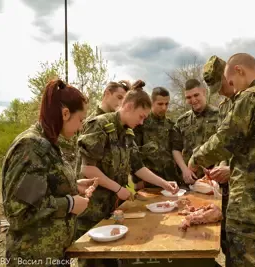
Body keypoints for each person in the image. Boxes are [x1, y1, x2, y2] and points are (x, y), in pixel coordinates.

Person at [188, 53, 255, 267]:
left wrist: (195, 157)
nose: (233, 88)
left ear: (239, 70)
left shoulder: (250, 98)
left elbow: (223, 141)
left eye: (230, 82)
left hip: (247, 208)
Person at [76, 80, 178, 267]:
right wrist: (118, 189)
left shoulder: (127, 134)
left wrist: (164, 183)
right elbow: (86, 169)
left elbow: (138, 167)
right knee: (92, 262)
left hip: (112, 209)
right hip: (93, 210)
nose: (141, 122)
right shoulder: (99, 125)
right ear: (129, 107)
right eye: (140, 116)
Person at [2, 79, 95, 266]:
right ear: (65, 113)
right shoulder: (31, 146)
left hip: (52, 255)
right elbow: (18, 211)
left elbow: (40, 189)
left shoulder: (49, 143)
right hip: (33, 259)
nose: (81, 127)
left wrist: (73, 186)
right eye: (80, 119)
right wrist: (69, 204)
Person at [202, 55, 235, 260]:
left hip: (250, 191)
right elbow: (226, 146)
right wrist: (222, 166)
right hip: (228, 189)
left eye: (220, 85)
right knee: (227, 237)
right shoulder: (225, 106)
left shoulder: (253, 102)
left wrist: (231, 171)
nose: (220, 92)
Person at [58, 80, 131, 168]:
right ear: (107, 93)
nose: (121, 103)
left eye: (124, 100)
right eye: (119, 97)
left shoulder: (119, 126)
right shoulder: (92, 122)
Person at [133, 86, 182, 190]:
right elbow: (134, 154)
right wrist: (137, 181)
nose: (164, 108)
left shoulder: (171, 125)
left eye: (166, 104)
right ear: (152, 103)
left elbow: (176, 151)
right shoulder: (141, 123)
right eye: (160, 104)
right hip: (148, 181)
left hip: (170, 180)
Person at [172, 78, 219, 184]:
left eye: (196, 95)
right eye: (188, 97)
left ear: (204, 92)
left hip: (213, 178)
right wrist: (184, 170)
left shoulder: (219, 115)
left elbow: (225, 145)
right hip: (190, 178)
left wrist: (217, 170)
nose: (193, 100)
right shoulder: (182, 121)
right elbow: (176, 149)